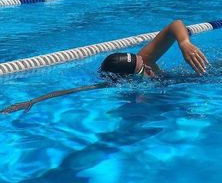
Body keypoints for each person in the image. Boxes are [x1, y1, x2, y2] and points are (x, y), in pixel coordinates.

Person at [0, 20, 209, 114]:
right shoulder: (115, 85)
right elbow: (71, 91)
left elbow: (176, 24)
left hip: (205, 75)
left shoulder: (143, 59)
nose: (150, 68)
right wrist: (32, 101)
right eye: (142, 71)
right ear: (125, 80)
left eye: (145, 64)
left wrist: (184, 43)